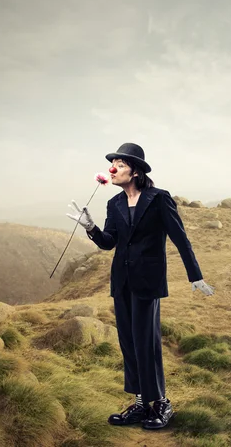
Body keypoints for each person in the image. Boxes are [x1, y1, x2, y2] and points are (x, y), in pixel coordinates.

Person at [66, 142, 215, 430]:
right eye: (114, 165)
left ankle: (161, 404)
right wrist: (90, 228)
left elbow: (180, 238)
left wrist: (195, 276)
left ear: (135, 171)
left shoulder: (159, 199)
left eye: (120, 165)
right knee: (129, 344)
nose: (113, 169)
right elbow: (109, 242)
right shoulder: (114, 203)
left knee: (146, 343)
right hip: (121, 283)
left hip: (147, 282)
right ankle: (139, 405)